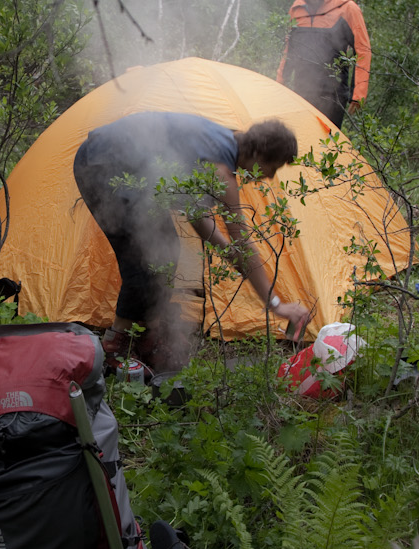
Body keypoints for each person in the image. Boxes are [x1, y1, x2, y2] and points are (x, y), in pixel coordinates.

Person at [71, 112, 312, 374]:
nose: (270, 177)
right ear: (259, 155)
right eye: (273, 167)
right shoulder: (221, 170)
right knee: (143, 257)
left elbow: (196, 214)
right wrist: (275, 303)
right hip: (102, 164)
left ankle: (145, 336)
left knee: (165, 249)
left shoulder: (227, 141)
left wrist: (228, 253)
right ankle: (116, 346)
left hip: (122, 165)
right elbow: (243, 242)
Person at [276, 0, 371, 128]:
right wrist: (280, 81)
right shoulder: (297, 9)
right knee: (301, 140)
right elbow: (289, 49)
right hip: (302, 89)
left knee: (326, 144)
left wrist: (358, 93)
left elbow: (363, 50)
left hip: (333, 94)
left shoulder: (347, 8)